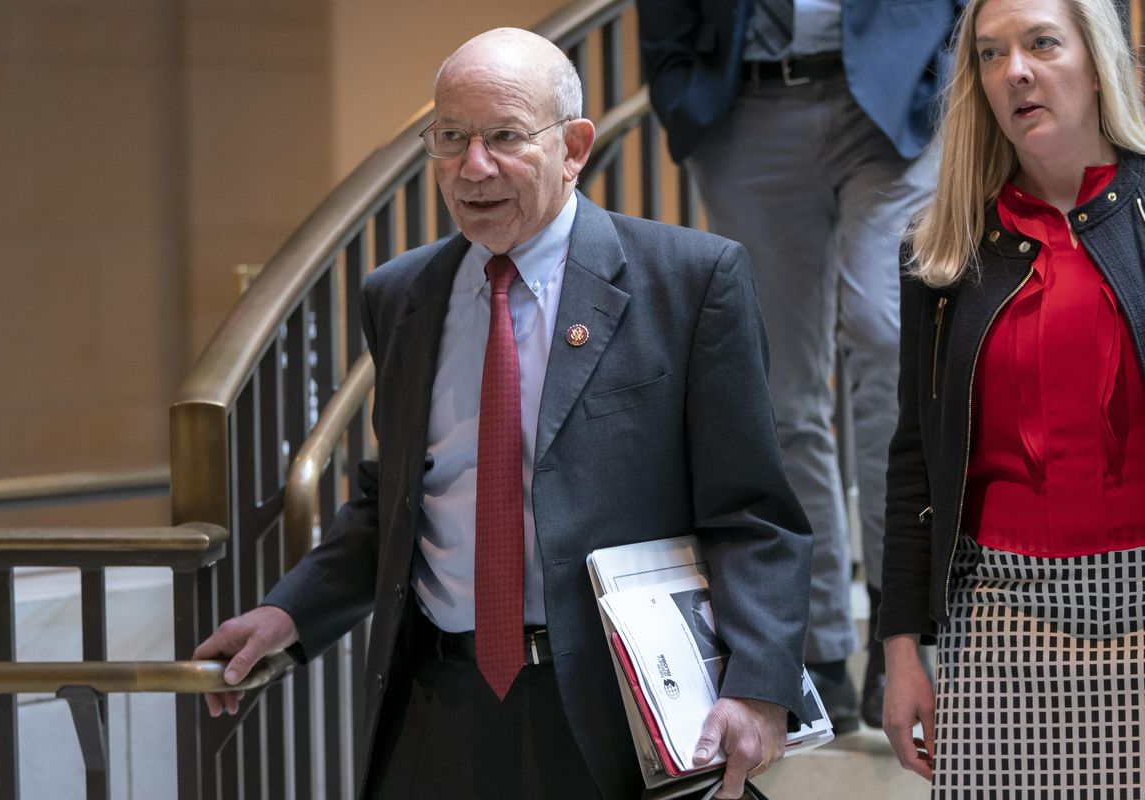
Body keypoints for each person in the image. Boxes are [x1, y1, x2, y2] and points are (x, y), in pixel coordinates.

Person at [194, 27, 814, 800]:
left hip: (614, 710)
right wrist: (289, 614)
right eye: (451, 138)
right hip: (437, 704)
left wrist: (759, 683)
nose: (472, 167)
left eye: (504, 137)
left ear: (576, 145)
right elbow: (394, 501)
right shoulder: (401, 294)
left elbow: (753, 514)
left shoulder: (689, 281)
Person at [637, 0, 962, 732]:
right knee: (780, 389)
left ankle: (900, 623)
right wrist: (676, 80)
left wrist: (953, 61)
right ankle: (816, 643)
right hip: (744, 107)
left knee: (888, 338)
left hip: (896, 97)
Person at [879, 0, 1145, 793]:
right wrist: (900, 652)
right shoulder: (941, 249)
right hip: (999, 621)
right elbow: (914, 462)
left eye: (1040, 44)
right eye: (991, 56)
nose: (1015, 72)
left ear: (1097, 63)